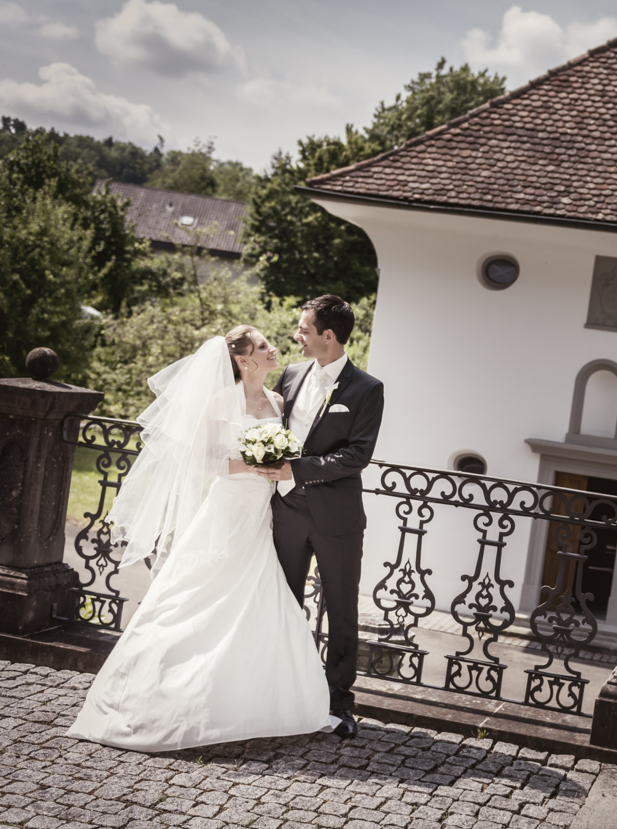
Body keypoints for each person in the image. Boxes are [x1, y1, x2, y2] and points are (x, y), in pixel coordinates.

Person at [68, 327, 337, 752]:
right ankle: (158, 698)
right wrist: (255, 462)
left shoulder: (277, 402)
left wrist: (276, 462)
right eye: (264, 346)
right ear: (245, 361)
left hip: (259, 515)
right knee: (196, 595)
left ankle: (255, 702)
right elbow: (205, 460)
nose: (274, 349)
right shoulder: (218, 402)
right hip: (226, 510)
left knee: (258, 595)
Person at [257, 295, 384, 739]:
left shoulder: (367, 389)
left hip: (337, 517)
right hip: (287, 510)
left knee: (342, 611)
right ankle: (284, 694)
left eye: (304, 330)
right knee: (283, 605)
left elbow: (357, 455)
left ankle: (339, 704)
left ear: (328, 336)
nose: (297, 336)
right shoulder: (291, 374)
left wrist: (299, 468)